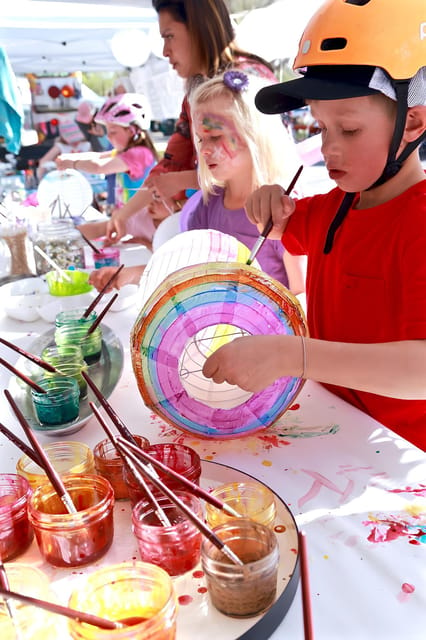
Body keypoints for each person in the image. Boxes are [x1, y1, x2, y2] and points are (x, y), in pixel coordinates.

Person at [201, 0, 426, 451]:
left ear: (413, 122)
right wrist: (265, 203)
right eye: (321, 127)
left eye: (349, 130)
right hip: (333, 430)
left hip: (399, 460)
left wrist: (293, 355)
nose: (329, 149)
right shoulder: (336, 207)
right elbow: (281, 225)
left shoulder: (418, 223)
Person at [88, 71, 306, 295]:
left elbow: (301, 296)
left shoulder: (283, 208)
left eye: (215, 137)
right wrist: (128, 275)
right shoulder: (207, 205)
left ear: (255, 135)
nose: (203, 149)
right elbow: (189, 274)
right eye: (200, 139)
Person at [100, 0, 279, 246]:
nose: (164, 51)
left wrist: (183, 181)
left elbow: (267, 163)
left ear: (199, 29)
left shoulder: (249, 80)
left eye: (169, 36)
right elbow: (171, 164)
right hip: (221, 227)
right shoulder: (195, 92)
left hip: (262, 228)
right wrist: (124, 214)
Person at [56, 93, 159, 244]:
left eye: (113, 131)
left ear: (131, 131)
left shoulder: (139, 154)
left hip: (143, 221)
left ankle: (59, 242)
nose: (108, 137)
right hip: (130, 219)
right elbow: (98, 157)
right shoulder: (125, 152)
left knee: (91, 231)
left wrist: (72, 164)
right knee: (89, 231)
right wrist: (69, 158)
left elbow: (99, 167)